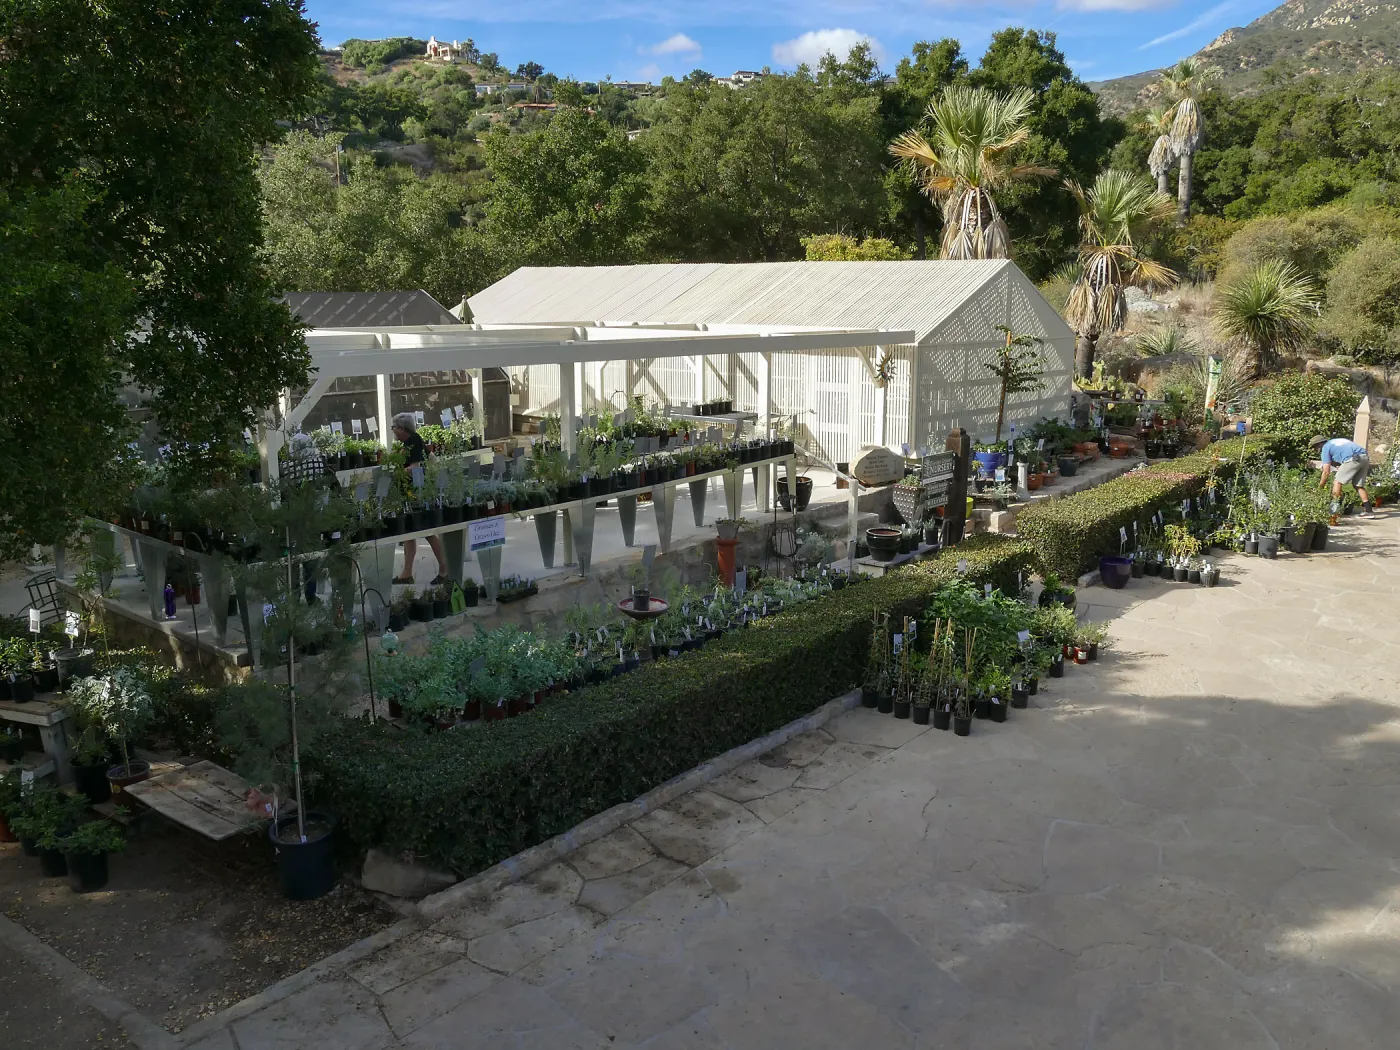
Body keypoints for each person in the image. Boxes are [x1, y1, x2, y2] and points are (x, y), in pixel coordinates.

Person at [391, 412, 449, 585]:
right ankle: (406, 573)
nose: (393, 430)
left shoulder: (414, 441)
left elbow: (415, 467)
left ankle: (445, 570)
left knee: (428, 532)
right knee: (409, 532)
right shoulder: (409, 442)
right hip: (410, 493)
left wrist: (396, 473)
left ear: (402, 429)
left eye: (393, 427)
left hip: (418, 493)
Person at [1311, 434, 1375, 518]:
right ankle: (1369, 511)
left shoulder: (1325, 448)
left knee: (1337, 482)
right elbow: (1343, 453)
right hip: (1364, 457)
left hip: (1352, 459)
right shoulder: (1335, 442)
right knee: (1358, 485)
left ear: (1319, 444)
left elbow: (1326, 472)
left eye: (1315, 447)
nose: (1315, 450)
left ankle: (1334, 511)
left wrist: (1320, 487)